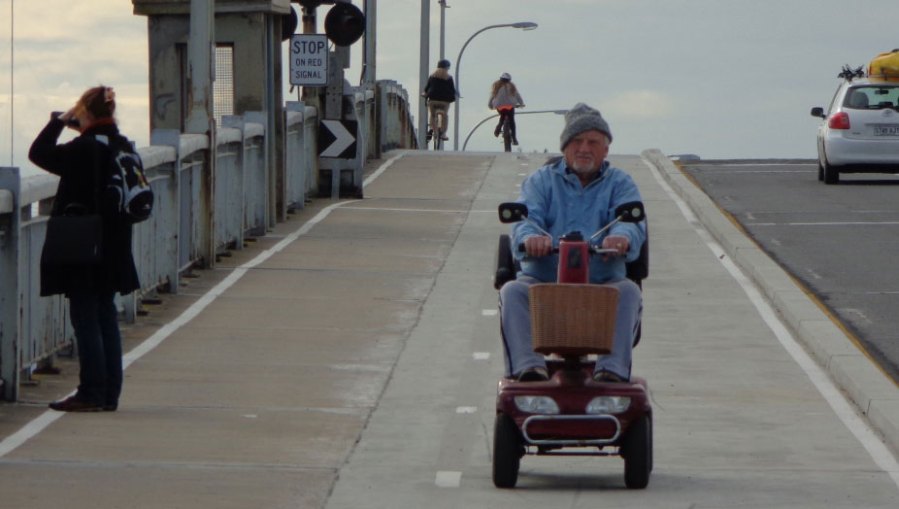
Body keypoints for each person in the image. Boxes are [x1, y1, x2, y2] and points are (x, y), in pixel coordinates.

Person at [499, 103, 646, 383]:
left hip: (602, 284)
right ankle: (528, 370)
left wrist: (622, 237)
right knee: (512, 291)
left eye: (593, 142)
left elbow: (632, 221)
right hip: (544, 283)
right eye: (577, 141)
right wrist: (531, 238)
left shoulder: (620, 183)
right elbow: (526, 217)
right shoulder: (540, 181)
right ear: (565, 147)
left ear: (606, 149)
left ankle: (611, 372)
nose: (584, 149)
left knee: (628, 291)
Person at [29, 85, 141, 412]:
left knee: (85, 317)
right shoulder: (122, 146)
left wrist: (60, 121)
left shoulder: (83, 149)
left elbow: (39, 152)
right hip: (115, 243)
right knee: (105, 314)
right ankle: (109, 394)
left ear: (85, 113)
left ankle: (91, 392)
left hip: (84, 244)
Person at [422, 59, 456, 142]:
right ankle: (443, 133)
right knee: (445, 115)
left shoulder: (432, 76)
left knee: (433, 115)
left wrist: (424, 94)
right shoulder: (449, 77)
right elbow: (452, 90)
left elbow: (426, 89)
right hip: (445, 101)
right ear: (447, 68)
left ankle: (432, 129)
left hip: (433, 99)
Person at [488, 73, 525, 145]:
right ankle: (514, 139)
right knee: (512, 121)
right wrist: (521, 104)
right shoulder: (512, 86)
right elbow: (517, 95)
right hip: (509, 107)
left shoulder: (496, 86)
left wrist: (490, 105)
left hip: (499, 107)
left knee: (503, 115)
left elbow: (492, 96)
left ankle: (499, 126)